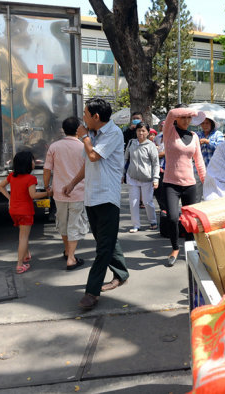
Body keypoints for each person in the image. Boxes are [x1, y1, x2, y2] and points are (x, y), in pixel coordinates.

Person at [64, 98, 129, 310]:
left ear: (96, 117)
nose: (82, 118)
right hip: (91, 197)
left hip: (107, 197)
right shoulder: (91, 135)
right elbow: (87, 165)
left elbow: (93, 156)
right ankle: (121, 272)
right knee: (105, 239)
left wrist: (83, 137)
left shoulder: (113, 133)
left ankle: (91, 292)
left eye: (85, 114)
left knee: (103, 247)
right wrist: (73, 183)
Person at [162, 107, 206, 266]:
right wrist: (192, 111)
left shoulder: (194, 136)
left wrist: (206, 181)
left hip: (190, 184)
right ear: (177, 117)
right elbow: (171, 114)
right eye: (184, 117)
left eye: (189, 117)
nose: (187, 120)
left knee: (190, 221)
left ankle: (189, 248)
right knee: (173, 218)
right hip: (170, 184)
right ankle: (175, 248)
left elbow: (199, 162)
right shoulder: (168, 132)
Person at [43, 116, 88, 270]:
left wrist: (46, 187)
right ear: (78, 130)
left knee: (63, 223)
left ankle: (68, 251)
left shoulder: (54, 147)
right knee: (74, 224)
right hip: (78, 192)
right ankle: (71, 258)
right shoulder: (83, 147)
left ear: (63, 129)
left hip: (59, 193)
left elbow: (47, 169)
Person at [0, 151, 50, 274]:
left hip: (14, 210)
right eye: (33, 160)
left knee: (22, 234)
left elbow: (0, 186)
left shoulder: (12, 176)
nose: (34, 162)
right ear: (27, 164)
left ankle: (26, 255)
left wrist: (10, 198)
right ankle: (20, 264)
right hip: (25, 211)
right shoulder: (31, 178)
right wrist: (48, 193)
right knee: (23, 237)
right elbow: (33, 195)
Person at [124, 121, 160, 232]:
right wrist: (123, 174)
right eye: (139, 130)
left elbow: (155, 163)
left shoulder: (151, 146)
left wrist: (155, 179)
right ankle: (136, 225)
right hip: (132, 177)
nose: (141, 133)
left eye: (143, 131)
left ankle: (153, 221)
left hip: (147, 179)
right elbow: (125, 159)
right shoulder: (131, 143)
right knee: (133, 202)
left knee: (147, 201)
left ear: (148, 132)